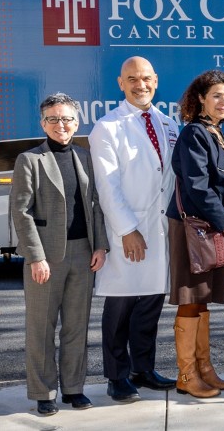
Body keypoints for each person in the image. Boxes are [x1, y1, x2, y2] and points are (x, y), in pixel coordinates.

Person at [11, 93, 108, 416]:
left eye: (66, 119)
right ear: (43, 124)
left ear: (76, 123)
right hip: (46, 257)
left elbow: (94, 204)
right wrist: (35, 257)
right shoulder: (31, 160)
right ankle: (43, 392)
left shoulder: (85, 156)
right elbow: (21, 212)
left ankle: (73, 389)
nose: (61, 125)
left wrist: (100, 245)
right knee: (41, 327)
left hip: (83, 252)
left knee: (76, 326)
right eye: (53, 119)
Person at [90, 56, 178, 402]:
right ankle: (117, 376)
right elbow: (107, 186)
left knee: (150, 305)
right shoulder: (108, 127)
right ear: (120, 83)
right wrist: (127, 229)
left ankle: (143, 369)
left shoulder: (167, 123)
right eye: (132, 79)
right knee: (121, 306)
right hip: (128, 229)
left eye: (145, 78)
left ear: (155, 80)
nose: (140, 85)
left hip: (160, 228)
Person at [166, 70, 224, 398]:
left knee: (201, 302)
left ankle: (204, 368)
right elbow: (198, 187)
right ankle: (186, 375)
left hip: (209, 228)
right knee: (190, 301)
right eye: (216, 95)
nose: (223, 102)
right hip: (195, 229)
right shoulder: (194, 134)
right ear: (200, 98)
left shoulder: (215, 132)